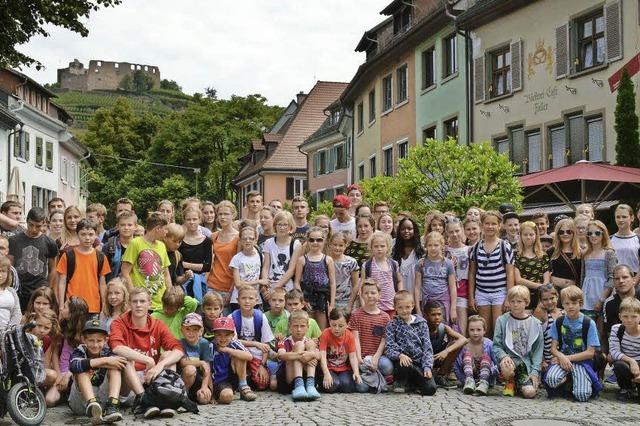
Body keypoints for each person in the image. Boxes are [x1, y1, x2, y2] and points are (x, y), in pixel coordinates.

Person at [109, 288, 184, 419]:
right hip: (126, 384)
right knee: (125, 358)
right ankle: (142, 400)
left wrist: (160, 366)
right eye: (135, 301)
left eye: (142, 301)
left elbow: (178, 350)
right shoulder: (119, 323)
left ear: (149, 303)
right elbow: (116, 347)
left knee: (168, 355)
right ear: (129, 304)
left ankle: (166, 400)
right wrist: (147, 360)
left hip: (149, 377)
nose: (138, 305)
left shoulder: (157, 324)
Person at [545, 286, 602, 402]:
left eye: (574, 303)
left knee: (582, 395)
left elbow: (590, 353)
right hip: (563, 361)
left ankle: (581, 380)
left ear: (580, 303)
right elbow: (553, 349)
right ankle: (568, 378)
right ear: (563, 304)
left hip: (582, 362)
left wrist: (566, 358)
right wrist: (561, 356)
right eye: (567, 303)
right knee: (550, 380)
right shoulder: (559, 322)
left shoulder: (588, 323)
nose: (570, 306)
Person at [68, 319, 125, 424]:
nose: (95, 345)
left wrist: (107, 361)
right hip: (81, 402)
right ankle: (92, 405)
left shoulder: (108, 352)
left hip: (103, 399)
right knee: (81, 369)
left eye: (99, 341)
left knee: (115, 367)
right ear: (84, 340)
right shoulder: (79, 351)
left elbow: (121, 364)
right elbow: (74, 366)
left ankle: (112, 405)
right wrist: (105, 361)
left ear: (105, 341)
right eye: (91, 340)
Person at [468, 211, 515, 337]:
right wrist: (471, 297)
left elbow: (510, 273)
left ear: (499, 225)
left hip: (500, 292)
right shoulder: (475, 247)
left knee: (498, 329)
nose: (490, 226)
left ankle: (499, 355)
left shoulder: (505, 246)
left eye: (493, 224)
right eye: (487, 223)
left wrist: (508, 298)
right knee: (485, 329)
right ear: (482, 225)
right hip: (482, 292)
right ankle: (486, 355)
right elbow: (472, 273)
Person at [492, 286, 543, 398]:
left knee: (530, 393)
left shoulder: (536, 324)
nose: (515, 305)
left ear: (526, 302)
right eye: (512, 301)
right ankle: (509, 382)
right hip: (509, 361)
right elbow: (496, 345)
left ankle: (520, 384)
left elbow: (538, 351)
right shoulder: (502, 320)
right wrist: (503, 356)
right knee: (507, 368)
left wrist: (534, 372)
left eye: (519, 301)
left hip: (525, 364)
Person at [385, 291, 437, 396]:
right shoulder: (392, 325)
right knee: (404, 364)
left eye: (407, 307)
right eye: (400, 307)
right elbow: (389, 348)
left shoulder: (421, 323)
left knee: (430, 389)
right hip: (402, 363)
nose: (404, 311)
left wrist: (427, 366)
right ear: (395, 307)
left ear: (413, 306)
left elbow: (427, 348)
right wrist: (399, 355)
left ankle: (413, 383)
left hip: (418, 364)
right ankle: (400, 382)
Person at [56, 218, 111, 316]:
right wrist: (61, 306)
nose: (87, 238)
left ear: (96, 235)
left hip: (93, 306)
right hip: (72, 306)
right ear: (77, 235)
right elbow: (62, 282)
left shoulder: (101, 257)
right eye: (83, 234)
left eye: (90, 234)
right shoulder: (68, 256)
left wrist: (104, 306)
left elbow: (102, 284)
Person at [120, 212, 171, 312]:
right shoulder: (136, 243)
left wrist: (170, 295)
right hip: (141, 303)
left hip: (160, 303)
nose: (167, 231)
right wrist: (133, 296)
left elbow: (166, 273)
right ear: (158, 229)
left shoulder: (162, 245)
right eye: (165, 228)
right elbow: (125, 272)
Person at [9, 207, 58, 310]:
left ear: (44, 223)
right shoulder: (14, 240)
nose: (34, 229)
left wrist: (48, 289)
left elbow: (53, 270)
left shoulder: (50, 243)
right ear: (26, 221)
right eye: (31, 225)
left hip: (39, 290)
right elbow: (10, 267)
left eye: (38, 226)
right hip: (19, 289)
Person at [349, 279, 392, 393]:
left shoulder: (385, 317)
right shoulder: (356, 315)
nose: (370, 296)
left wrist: (376, 358)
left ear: (379, 295)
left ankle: (377, 378)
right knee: (361, 389)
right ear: (361, 295)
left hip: (377, 357)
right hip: (361, 358)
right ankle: (374, 379)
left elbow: (384, 340)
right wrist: (358, 358)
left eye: (373, 293)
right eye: (366, 293)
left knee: (387, 366)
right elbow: (355, 338)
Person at [230, 286, 274, 391]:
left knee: (262, 383)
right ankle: (243, 380)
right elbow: (233, 341)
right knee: (235, 379)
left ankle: (251, 376)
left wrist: (262, 365)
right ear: (237, 300)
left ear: (256, 301)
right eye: (243, 298)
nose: (247, 301)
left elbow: (266, 344)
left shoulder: (261, 317)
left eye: (250, 298)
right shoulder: (231, 317)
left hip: (256, 355)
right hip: (239, 354)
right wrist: (256, 344)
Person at [294, 227, 336, 330]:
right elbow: (297, 282)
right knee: (308, 328)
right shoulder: (302, 260)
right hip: (307, 297)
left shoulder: (328, 259)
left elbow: (332, 283)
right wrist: (303, 300)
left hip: (323, 298)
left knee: (322, 329)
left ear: (324, 240)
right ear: (307, 241)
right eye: (312, 240)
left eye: (319, 240)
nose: (315, 242)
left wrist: (332, 304)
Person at [275, 310, 321, 401]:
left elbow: (319, 356)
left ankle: (310, 385)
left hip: (306, 378)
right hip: (289, 380)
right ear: (289, 327)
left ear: (308, 327)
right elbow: (281, 356)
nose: (299, 329)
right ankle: (298, 384)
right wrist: (301, 356)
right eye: (295, 326)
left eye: (302, 326)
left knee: (311, 344)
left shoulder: (309, 341)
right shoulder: (284, 341)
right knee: (299, 345)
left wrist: (311, 354)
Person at [581, 220, 616, 336]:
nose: (593, 236)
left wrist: (602, 299)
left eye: (597, 233)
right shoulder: (585, 254)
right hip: (587, 297)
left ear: (603, 234)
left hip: (602, 295)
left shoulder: (609, 253)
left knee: (601, 333)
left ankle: (600, 354)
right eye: (589, 233)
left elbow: (612, 278)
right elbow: (583, 277)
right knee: (587, 330)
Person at [210, 316, 257, 403]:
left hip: (235, 377)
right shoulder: (212, 346)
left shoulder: (234, 343)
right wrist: (211, 394)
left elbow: (249, 356)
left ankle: (243, 386)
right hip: (219, 381)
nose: (223, 338)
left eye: (226, 335)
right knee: (227, 397)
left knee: (239, 354)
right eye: (219, 335)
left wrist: (228, 350)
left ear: (232, 335)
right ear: (214, 335)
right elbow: (208, 370)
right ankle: (221, 395)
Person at [423, 301, 467, 388]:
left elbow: (464, 339)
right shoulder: (421, 327)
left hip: (438, 358)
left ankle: (441, 375)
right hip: (423, 360)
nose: (437, 317)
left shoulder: (444, 328)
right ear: (426, 315)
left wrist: (446, 351)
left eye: (439, 314)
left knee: (455, 344)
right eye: (433, 315)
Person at [415, 232, 456, 324]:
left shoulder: (448, 263)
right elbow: (417, 288)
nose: (433, 248)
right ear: (425, 246)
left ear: (442, 246)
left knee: (443, 327)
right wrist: (418, 309)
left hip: (443, 301)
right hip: (427, 301)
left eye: (436, 245)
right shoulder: (420, 263)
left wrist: (453, 309)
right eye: (430, 245)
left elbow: (453, 287)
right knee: (428, 327)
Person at [55, 297, 89, 407]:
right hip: (61, 369)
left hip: (75, 371)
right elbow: (55, 353)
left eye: (64, 307)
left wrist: (68, 375)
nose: (61, 309)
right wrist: (59, 375)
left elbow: (85, 360)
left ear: (72, 313)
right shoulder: (63, 325)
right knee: (50, 400)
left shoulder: (84, 334)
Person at [319, 308, 361, 393]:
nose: (336, 329)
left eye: (340, 326)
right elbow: (322, 356)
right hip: (329, 368)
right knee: (332, 385)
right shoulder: (325, 334)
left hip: (343, 369)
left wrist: (356, 372)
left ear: (347, 324)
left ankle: (339, 382)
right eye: (333, 325)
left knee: (347, 386)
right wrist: (326, 373)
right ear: (329, 322)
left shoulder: (349, 336)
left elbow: (352, 357)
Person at [207, 200, 240, 307]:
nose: (222, 217)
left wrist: (231, 291)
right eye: (220, 214)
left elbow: (238, 267)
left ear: (233, 215)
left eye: (226, 214)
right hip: (211, 285)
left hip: (228, 287)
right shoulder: (213, 236)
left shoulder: (238, 238)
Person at [263, 210, 302, 299]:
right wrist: (264, 285)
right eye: (279, 224)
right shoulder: (268, 243)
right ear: (275, 226)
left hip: (287, 287)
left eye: (285, 225)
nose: (282, 227)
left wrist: (275, 288)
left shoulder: (296, 244)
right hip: (269, 285)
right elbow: (266, 266)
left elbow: (291, 270)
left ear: (290, 227)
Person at [455, 315, 498, 396]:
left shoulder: (489, 344)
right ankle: (469, 381)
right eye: (472, 330)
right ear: (468, 330)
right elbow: (457, 366)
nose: (475, 333)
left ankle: (483, 383)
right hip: (467, 376)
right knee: (467, 356)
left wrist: (491, 374)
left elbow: (497, 364)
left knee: (485, 357)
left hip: (486, 376)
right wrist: (463, 380)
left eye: (478, 330)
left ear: (484, 330)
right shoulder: (464, 345)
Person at [363, 231, 403, 316]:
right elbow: (362, 286)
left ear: (388, 247)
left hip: (391, 306)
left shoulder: (393, 264)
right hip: (374, 306)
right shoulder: (367, 265)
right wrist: (363, 303)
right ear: (371, 247)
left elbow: (399, 281)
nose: (379, 249)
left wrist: (400, 296)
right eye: (376, 246)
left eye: (382, 246)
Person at [609, 298, 640, 401]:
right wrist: (632, 361)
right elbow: (614, 351)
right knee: (619, 365)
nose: (629, 320)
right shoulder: (617, 329)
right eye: (625, 316)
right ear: (620, 316)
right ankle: (627, 388)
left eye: (634, 316)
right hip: (626, 362)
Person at [514, 221, 551, 310]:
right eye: (525, 234)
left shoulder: (543, 256)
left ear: (536, 236)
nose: (528, 237)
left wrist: (543, 289)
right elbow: (518, 280)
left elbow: (546, 279)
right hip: (522, 296)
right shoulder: (516, 255)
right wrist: (540, 286)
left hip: (540, 296)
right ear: (520, 236)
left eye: (531, 234)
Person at [230, 225, 266, 310]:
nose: (248, 241)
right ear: (240, 241)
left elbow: (263, 275)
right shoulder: (237, 258)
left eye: (251, 238)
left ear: (256, 240)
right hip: (239, 299)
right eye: (244, 239)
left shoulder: (261, 256)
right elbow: (238, 284)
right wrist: (258, 281)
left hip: (255, 299)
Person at [178, 313, 213, 404]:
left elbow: (207, 368)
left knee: (204, 399)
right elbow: (183, 363)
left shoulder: (204, 343)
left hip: (199, 379)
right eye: (188, 329)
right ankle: (182, 395)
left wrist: (204, 386)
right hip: (185, 378)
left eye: (195, 330)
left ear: (201, 331)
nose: (191, 333)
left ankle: (194, 396)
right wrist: (201, 362)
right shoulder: (180, 343)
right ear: (182, 330)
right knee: (190, 369)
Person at [445, 219, 470, 335]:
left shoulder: (469, 250)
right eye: (451, 232)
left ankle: (462, 352)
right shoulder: (444, 251)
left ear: (462, 230)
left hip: (462, 292)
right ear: (446, 233)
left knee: (461, 329)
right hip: (445, 293)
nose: (454, 234)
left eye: (457, 231)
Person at [604, 264, 640, 337]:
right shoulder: (610, 304)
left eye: (625, 277)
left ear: (633, 280)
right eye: (617, 279)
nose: (621, 281)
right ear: (613, 282)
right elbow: (611, 334)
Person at [549, 218, 582, 295]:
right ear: (557, 234)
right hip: (554, 291)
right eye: (561, 232)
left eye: (569, 231)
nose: (565, 234)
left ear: (574, 233)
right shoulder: (551, 251)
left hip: (573, 293)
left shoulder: (580, 253)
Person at [533, 285, 562, 372]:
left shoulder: (564, 312)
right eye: (545, 300)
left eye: (552, 298)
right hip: (550, 361)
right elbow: (535, 340)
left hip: (566, 357)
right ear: (540, 301)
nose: (549, 302)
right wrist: (542, 360)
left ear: (557, 296)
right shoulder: (542, 314)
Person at [392, 217, 424, 297]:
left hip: (418, 297)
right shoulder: (394, 249)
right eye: (403, 229)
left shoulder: (421, 252)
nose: (406, 231)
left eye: (409, 229)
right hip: (399, 297)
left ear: (414, 230)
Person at [328, 232, 359, 311]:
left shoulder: (351, 262)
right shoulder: (326, 260)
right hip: (329, 299)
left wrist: (350, 304)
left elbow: (356, 285)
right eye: (335, 245)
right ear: (330, 244)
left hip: (346, 300)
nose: (337, 248)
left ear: (346, 246)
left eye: (341, 245)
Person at [179, 207, 212, 281]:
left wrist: (184, 264)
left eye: (194, 219)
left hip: (199, 280)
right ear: (184, 220)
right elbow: (176, 263)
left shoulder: (207, 241)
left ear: (199, 220)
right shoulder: (179, 239)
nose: (191, 222)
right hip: (182, 279)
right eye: (188, 219)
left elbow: (207, 267)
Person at [104, 211, 137, 283]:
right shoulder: (109, 246)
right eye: (122, 225)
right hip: (114, 288)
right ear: (117, 226)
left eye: (129, 225)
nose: (126, 228)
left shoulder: (140, 245)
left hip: (135, 289)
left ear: (135, 227)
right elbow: (102, 274)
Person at [611, 204, 640, 278]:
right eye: (618, 217)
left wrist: (635, 280)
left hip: (636, 281)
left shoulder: (638, 239)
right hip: (616, 281)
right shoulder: (609, 240)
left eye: (624, 217)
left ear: (632, 218)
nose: (621, 220)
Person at [0, 256, 21, 328]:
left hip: (8, 333)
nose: (0, 275)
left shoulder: (12, 291)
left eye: (3, 271)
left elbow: (17, 313)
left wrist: (9, 329)